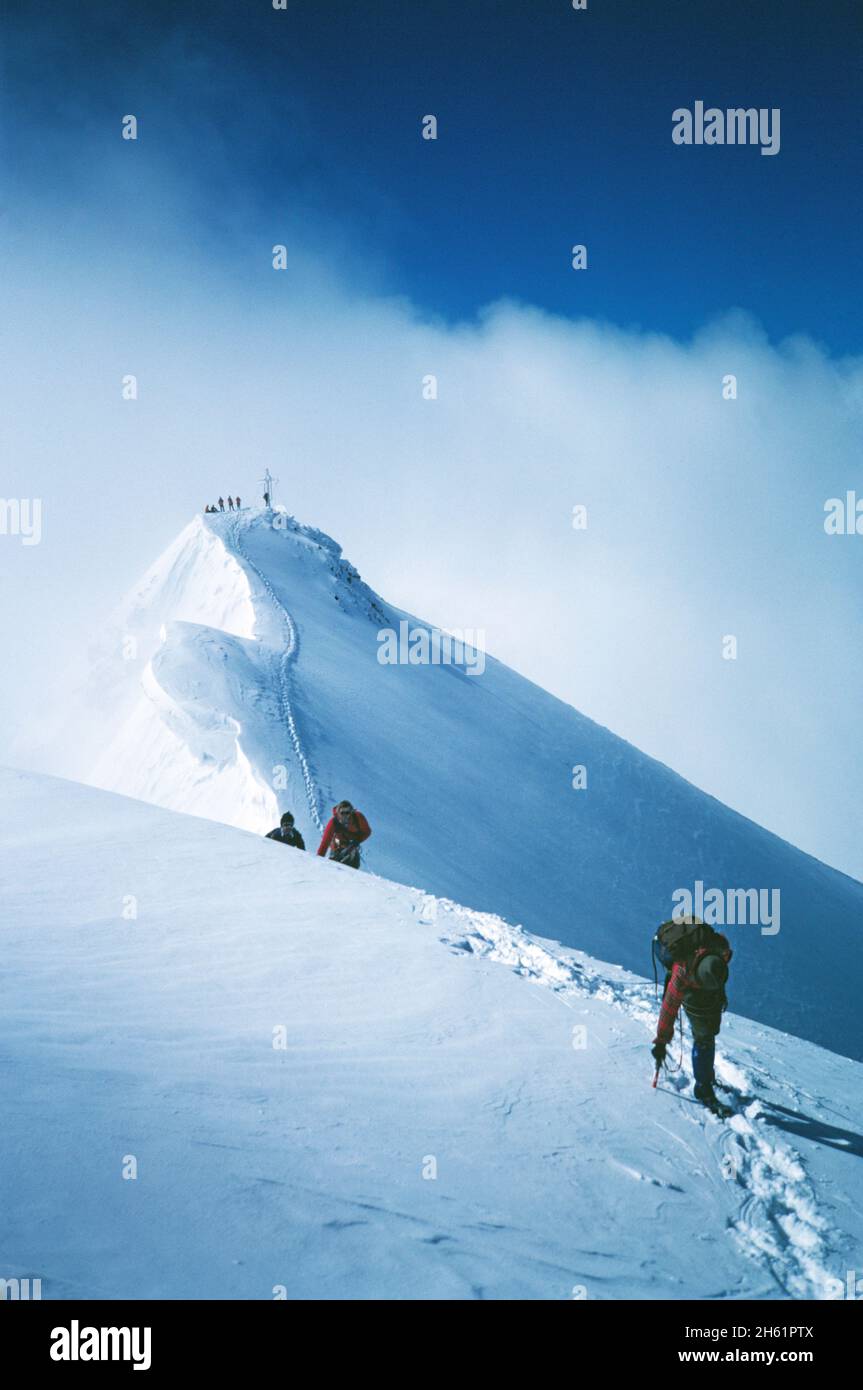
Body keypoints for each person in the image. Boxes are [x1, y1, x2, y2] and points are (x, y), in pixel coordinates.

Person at [651, 917, 733, 1114]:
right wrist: (661, 1042)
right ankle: (703, 1089)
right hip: (692, 993)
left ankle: (707, 1077)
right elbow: (668, 1010)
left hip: (709, 992)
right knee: (703, 1037)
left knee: (708, 1033)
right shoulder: (682, 974)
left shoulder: (719, 950)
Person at [317, 800, 371, 869]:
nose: (345, 815)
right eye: (342, 813)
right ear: (338, 813)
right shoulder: (334, 822)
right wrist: (317, 861)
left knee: (353, 869)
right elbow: (325, 843)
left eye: (347, 812)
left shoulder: (358, 817)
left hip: (352, 849)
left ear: (351, 812)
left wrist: (357, 841)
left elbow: (367, 831)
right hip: (337, 849)